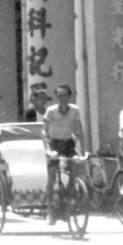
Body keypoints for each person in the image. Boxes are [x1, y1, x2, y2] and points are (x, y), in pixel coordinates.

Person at [42, 84, 87, 224]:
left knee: (74, 171)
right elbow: (44, 131)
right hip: (54, 144)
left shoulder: (74, 110)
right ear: (57, 97)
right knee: (51, 178)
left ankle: (68, 203)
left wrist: (84, 151)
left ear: (69, 96)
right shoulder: (51, 111)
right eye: (60, 96)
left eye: (65, 96)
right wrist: (48, 150)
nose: (63, 99)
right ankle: (49, 210)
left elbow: (79, 131)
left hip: (68, 143)